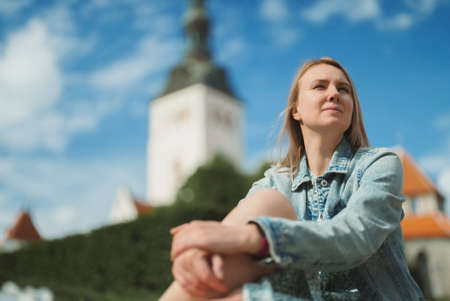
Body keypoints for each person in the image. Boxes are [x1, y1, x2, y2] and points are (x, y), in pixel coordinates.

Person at [160, 57, 424, 300]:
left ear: (352, 109)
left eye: (344, 90)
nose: (334, 93)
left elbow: (354, 237)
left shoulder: (378, 164)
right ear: (296, 110)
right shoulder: (274, 182)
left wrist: (257, 238)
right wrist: (199, 252)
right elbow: (227, 239)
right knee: (265, 204)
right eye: (320, 86)